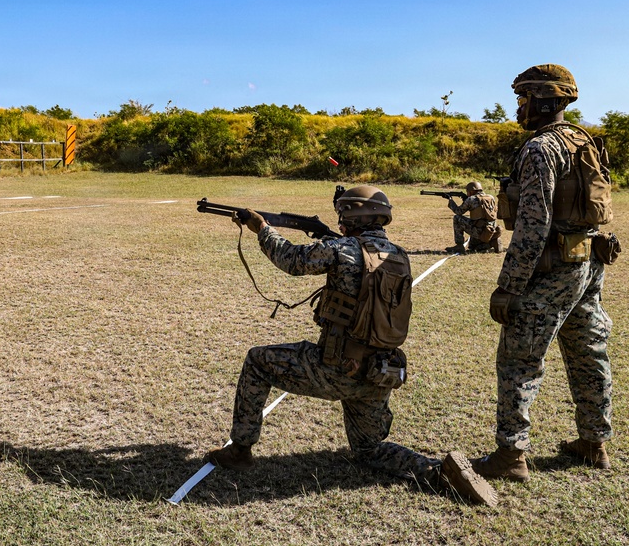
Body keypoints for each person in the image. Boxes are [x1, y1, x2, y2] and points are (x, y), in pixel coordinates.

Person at [207, 185, 497, 506]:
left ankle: (240, 450)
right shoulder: (399, 255)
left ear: (350, 215)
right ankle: (439, 471)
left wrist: (261, 228)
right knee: (370, 450)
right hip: (379, 374)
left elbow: (290, 260)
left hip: (335, 368)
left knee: (258, 362)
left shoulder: (341, 249)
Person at [474, 64, 614, 482]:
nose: (519, 108)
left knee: (519, 358)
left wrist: (508, 287)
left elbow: (533, 226)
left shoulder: (540, 150)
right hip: (588, 263)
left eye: (523, 99)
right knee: (589, 353)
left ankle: (511, 455)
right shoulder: (582, 140)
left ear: (545, 100)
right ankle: (594, 442)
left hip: (553, 268)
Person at [445, 181, 502, 254]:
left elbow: (458, 211)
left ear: (471, 191)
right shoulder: (490, 197)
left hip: (479, 230)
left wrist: (450, 200)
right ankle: (492, 242)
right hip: (491, 229)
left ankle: (459, 245)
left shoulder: (471, 199)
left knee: (457, 218)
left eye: (467, 191)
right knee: (472, 247)